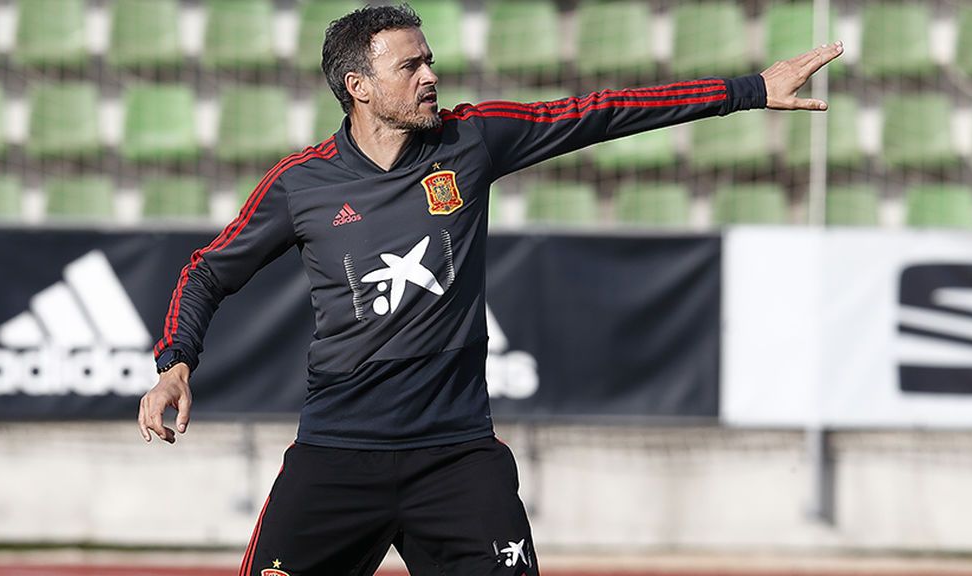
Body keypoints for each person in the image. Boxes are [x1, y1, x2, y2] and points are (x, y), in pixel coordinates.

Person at [138, 4, 843, 575]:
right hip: (336, 455)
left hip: (456, 456)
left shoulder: (471, 140)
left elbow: (600, 110)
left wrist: (748, 90)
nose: (429, 75)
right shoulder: (302, 183)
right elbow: (207, 270)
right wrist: (176, 362)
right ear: (358, 86)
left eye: (429, 59)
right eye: (409, 64)